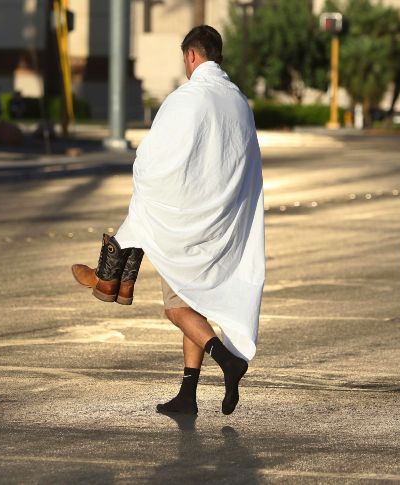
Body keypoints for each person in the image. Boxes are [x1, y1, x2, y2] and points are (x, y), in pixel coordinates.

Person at [70, 25, 265, 416]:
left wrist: (149, 185)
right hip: (223, 225)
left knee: (177, 309)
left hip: (188, 228)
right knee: (194, 304)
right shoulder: (238, 101)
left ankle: (228, 361)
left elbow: (155, 158)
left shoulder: (188, 98)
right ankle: (187, 396)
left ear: (192, 55)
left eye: (185, 60)